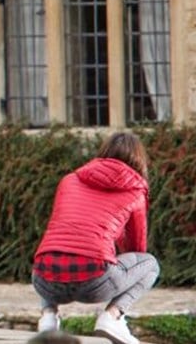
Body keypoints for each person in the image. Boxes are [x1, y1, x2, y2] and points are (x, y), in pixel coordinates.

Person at [30, 133, 156, 344]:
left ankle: (48, 317)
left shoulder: (69, 180)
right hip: (94, 282)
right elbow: (137, 249)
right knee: (150, 264)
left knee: (51, 251)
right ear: (139, 159)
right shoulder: (135, 191)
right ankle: (113, 317)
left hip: (45, 282)